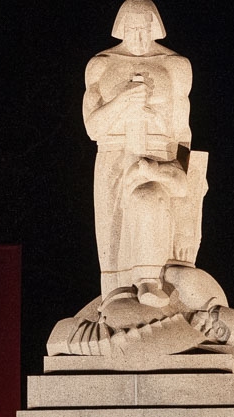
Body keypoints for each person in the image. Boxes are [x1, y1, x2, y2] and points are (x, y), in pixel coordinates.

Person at [83, 0, 198, 306]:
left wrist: (177, 173)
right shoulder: (102, 65)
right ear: (121, 27)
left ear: (154, 26)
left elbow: (182, 133)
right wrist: (122, 100)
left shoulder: (175, 66)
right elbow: (92, 127)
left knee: (149, 198)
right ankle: (115, 301)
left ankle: (150, 280)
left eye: (143, 28)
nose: (137, 36)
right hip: (113, 154)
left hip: (158, 151)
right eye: (131, 29)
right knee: (114, 238)